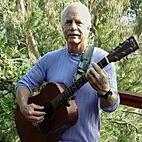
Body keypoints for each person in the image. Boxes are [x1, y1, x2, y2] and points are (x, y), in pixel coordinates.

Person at [15, 2, 120, 142]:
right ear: (62, 27)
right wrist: (23, 106)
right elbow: (24, 83)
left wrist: (105, 91)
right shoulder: (50, 59)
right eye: (68, 22)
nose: (73, 27)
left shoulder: (102, 59)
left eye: (78, 22)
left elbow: (111, 106)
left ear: (89, 28)